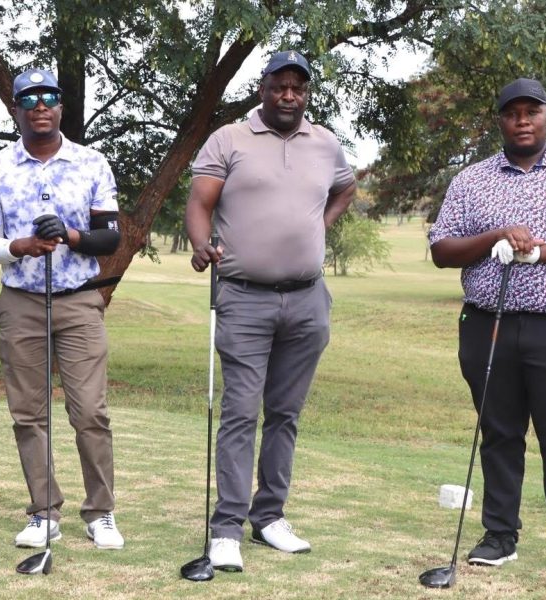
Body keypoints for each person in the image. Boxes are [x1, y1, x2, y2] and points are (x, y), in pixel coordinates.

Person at [428, 77, 546, 582]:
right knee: (498, 432)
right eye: (512, 112)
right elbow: (442, 249)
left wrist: (539, 252)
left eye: (531, 111)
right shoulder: (471, 180)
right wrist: (493, 236)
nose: (522, 120)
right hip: (487, 324)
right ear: (500, 120)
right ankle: (499, 535)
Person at [184, 50, 356, 572]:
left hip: (307, 297)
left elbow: (346, 188)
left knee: (286, 413)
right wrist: (199, 243)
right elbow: (199, 203)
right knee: (240, 411)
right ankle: (226, 529)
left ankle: (270, 516)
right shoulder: (229, 138)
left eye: (297, 88)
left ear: (306, 93)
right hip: (242, 296)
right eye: (279, 86)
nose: (288, 95)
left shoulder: (325, 142)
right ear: (262, 88)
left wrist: (317, 226)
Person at [0, 68, 125, 550]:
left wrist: (71, 236)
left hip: (79, 300)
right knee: (28, 414)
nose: (41, 105)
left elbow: (111, 236)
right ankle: (43, 511)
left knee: (90, 412)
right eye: (30, 98)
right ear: (16, 108)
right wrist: (20, 246)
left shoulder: (92, 162)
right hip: (20, 302)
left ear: (61, 107)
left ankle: (101, 512)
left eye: (50, 97)